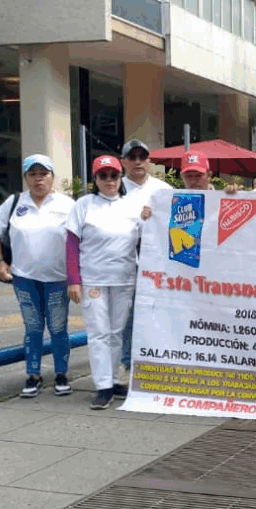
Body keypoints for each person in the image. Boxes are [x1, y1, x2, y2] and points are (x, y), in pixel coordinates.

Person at [0, 154, 76, 398]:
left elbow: (81, 239)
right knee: (33, 328)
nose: (38, 179)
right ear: (25, 177)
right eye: (32, 174)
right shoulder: (15, 202)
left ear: (52, 177)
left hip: (58, 279)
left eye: (43, 174)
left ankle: (61, 374)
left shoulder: (67, 204)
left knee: (58, 328)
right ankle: (33, 375)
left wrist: (78, 276)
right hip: (24, 278)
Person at [67, 155, 151, 410]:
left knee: (116, 332)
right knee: (98, 333)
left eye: (114, 175)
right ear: (95, 179)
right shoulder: (83, 205)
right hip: (94, 280)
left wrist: (150, 217)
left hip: (124, 279)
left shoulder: (133, 205)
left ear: (120, 177)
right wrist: (73, 280)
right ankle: (102, 386)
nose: (109, 180)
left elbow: (145, 240)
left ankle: (113, 380)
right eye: (103, 176)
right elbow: (71, 244)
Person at [118, 139, 172, 378]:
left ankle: (159, 358)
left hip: (158, 262)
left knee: (159, 311)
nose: (138, 162)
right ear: (123, 162)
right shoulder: (114, 187)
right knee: (127, 315)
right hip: (124, 262)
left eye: (142, 157)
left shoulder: (163, 189)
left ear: (149, 161)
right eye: (132, 157)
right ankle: (127, 362)